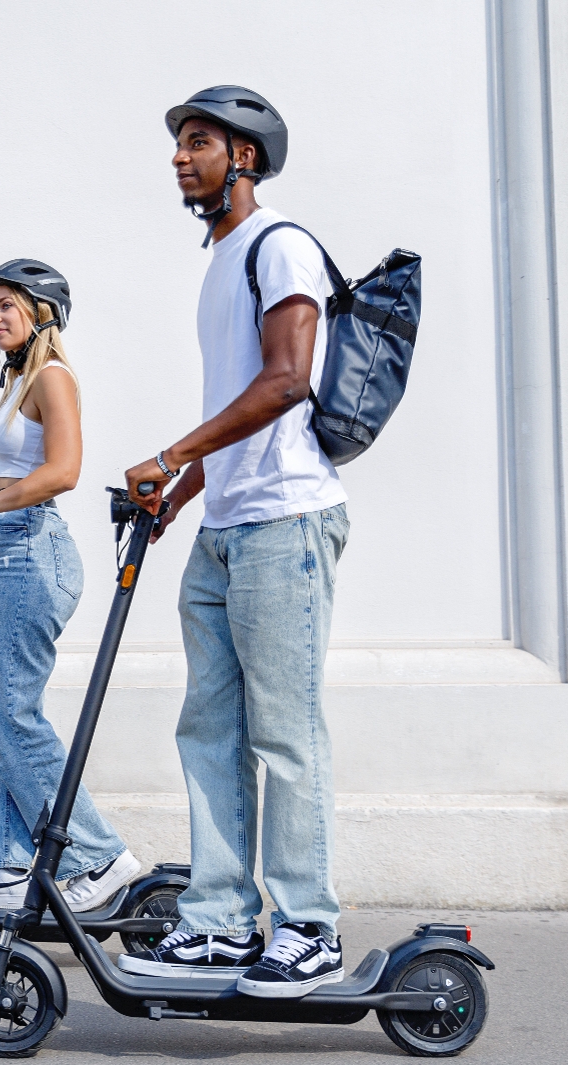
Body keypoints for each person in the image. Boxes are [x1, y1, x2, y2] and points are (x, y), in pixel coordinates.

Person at [117, 87, 350, 997]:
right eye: (179, 143)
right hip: (225, 529)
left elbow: (288, 381)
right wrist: (179, 497)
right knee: (211, 728)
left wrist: (175, 450)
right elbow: (239, 415)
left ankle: (308, 925)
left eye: (199, 141)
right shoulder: (220, 259)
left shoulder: (278, 245)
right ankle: (217, 922)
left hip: (287, 523)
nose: (182, 156)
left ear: (244, 157)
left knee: (285, 734)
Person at [0, 261, 144, 912]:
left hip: (29, 550)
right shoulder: (20, 378)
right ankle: (7, 868)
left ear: (41, 311)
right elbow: (13, 473)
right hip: (2, 547)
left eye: (6, 304)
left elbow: (65, 471)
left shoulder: (52, 377)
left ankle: (101, 857)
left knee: (10, 716)